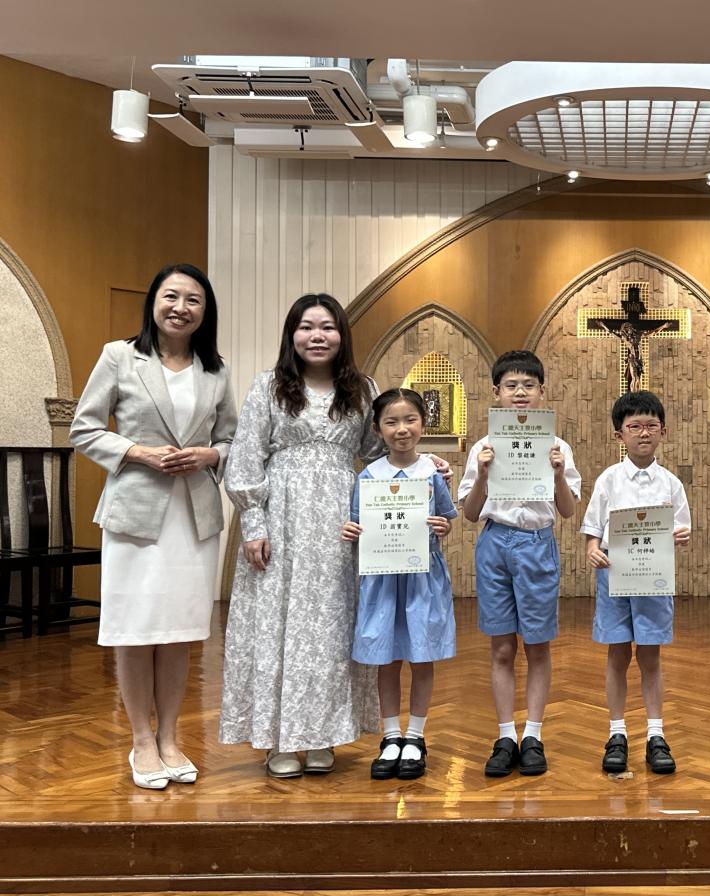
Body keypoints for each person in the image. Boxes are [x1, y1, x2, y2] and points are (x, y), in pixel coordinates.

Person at [70, 264, 237, 790]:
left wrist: (210, 454)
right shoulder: (119, 356)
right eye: (171, 296)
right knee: (135, 630)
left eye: (193, 300)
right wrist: (138, 452)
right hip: (136, 515)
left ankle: (170, 737)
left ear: (205, 311)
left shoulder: (216, 370)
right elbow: (84, 428)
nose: (181, 308)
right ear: (154, 302)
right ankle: (141, 741)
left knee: (178, 633)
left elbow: (232, 440)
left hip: (194, 518)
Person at [219, 293, 382, 778]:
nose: (317, 336)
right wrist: (253, 523)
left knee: (331, 627)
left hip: (341, 524)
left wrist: (419, 466)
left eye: (327, 327)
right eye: (306, 327)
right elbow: (245, 458)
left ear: (341, 335)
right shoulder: (268, 386)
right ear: (292, 335)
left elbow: (379, 454)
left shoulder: (363, 389)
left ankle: (323, 734)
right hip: (282, 521)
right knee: (277, 626)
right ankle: (280, 738)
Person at [457, 350, 581, 777]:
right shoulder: (483, 447)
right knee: (501, 647)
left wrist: (559, 474)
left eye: (529, 385)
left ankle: (534, 735)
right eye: (511, 385)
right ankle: (505, 735)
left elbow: (568, 511)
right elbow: (470, 513)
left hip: (536, 543)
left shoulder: (558, 446)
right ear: (497, 392)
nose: (520, 392)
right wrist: (483, 475)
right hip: (495, 542)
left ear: (542, 391)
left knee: (537, 645)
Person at [340, 388, 457, 780]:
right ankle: (391, 736)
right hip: (382, 580)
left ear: (423, 424)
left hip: (423, 578)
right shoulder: (369, 476)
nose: (401, 429)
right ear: (377, 429)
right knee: (386, 657)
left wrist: (443, 527)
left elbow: (446, 519)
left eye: (410, 420)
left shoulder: (432, 473)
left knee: (422, 656)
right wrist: (351, 530)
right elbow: (357, 522)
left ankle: (416, 736)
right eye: (391, 422)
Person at [582, 391, 692, 775]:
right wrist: (592, 549)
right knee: (617, 654)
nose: (644, 433)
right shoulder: (608, 480)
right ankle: (617, 732)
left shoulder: (671, 484)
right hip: (614, 575)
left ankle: (656, 734)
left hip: (653, 579)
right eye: (635, 426)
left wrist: (679, 536)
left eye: (651, 426)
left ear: (664, 431)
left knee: (650, 656)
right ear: (620, 434)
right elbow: (593, 528)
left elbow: (681, 529)